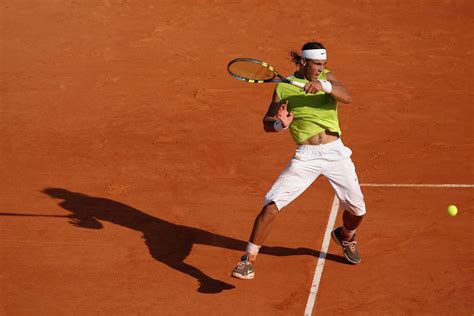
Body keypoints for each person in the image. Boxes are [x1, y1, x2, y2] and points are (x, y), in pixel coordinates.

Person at [232, 41, 367, 280]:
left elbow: (347, 97)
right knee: (271, 206)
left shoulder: (326, 77)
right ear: (303, 62)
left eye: (323, 64)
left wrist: (323, 85)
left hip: (335, 152)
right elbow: (267, 122)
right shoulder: (284, 89)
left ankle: (345, 235)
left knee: (358, 211)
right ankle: (247, 261)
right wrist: (279, 124)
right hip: (306, 157)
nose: (320, 68)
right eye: (316, 64)